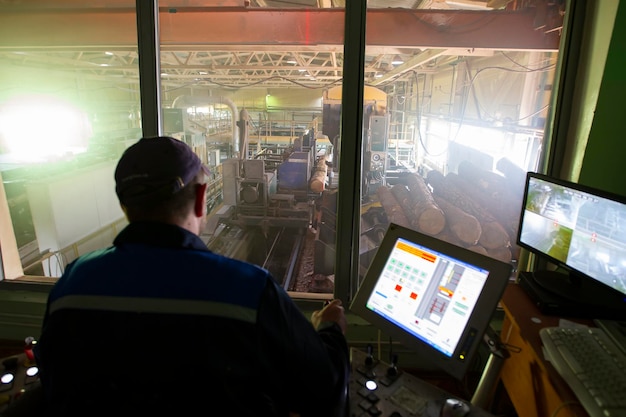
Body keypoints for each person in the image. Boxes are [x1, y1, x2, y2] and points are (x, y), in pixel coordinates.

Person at [33, 136, 350, 416]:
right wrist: (330, 331)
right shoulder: (248, 290)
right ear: (201, 199)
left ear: (124, 205)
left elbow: (51, 379)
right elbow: (326, 390)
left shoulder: (72, 284)